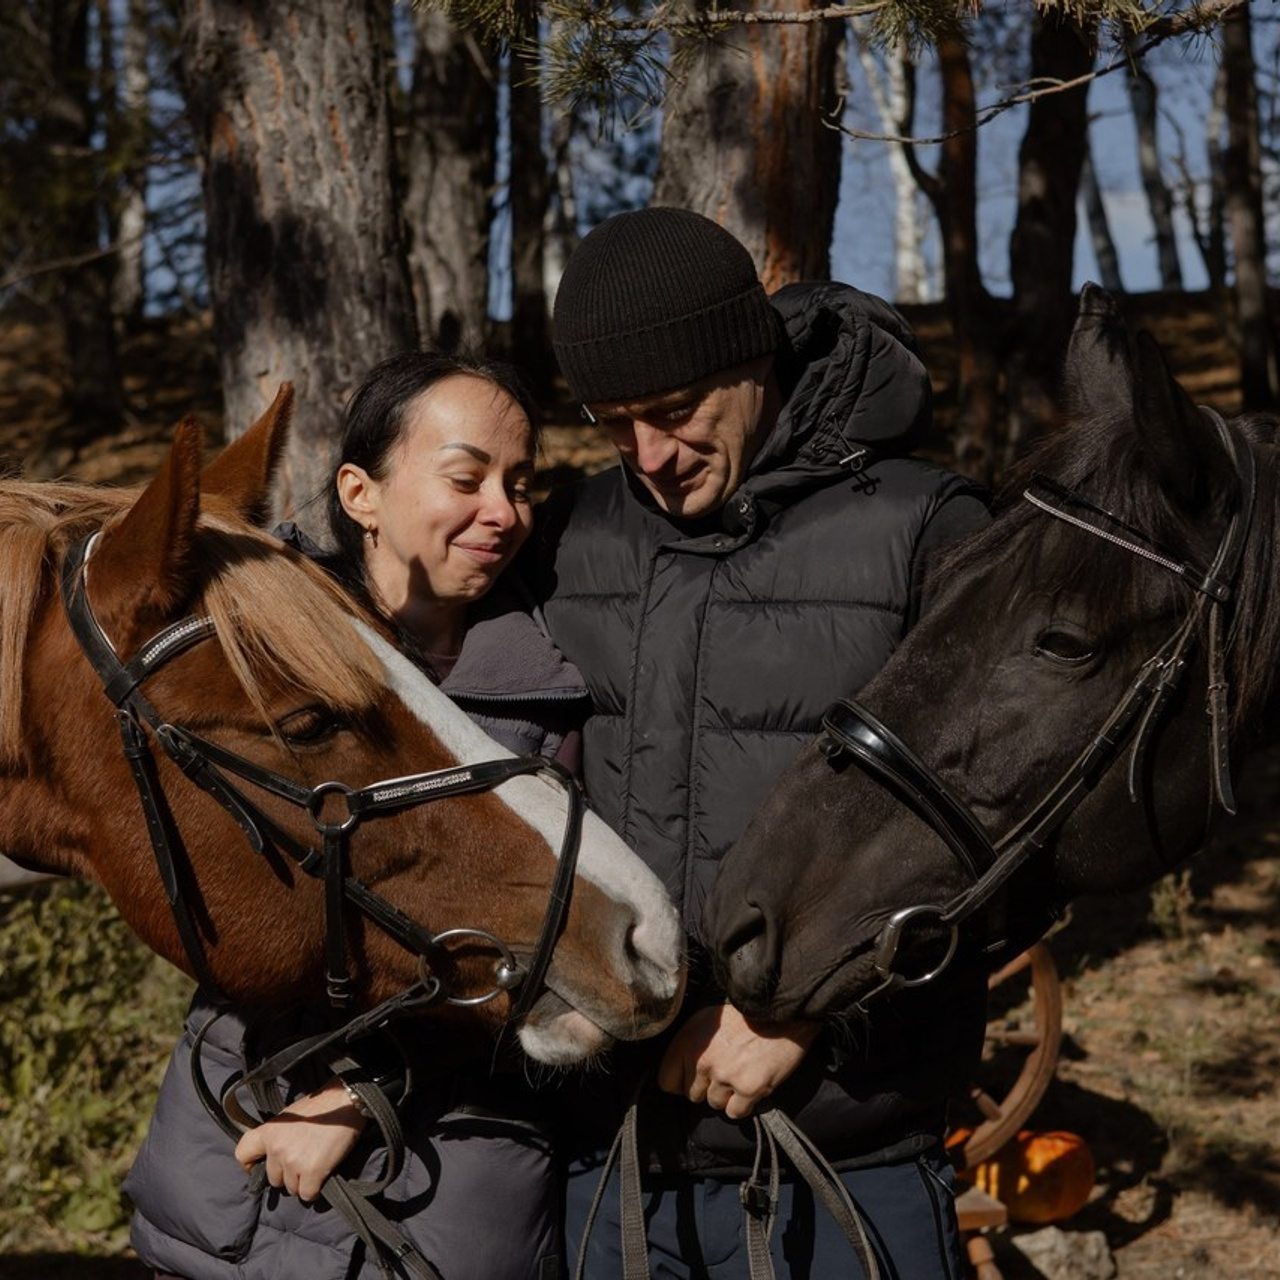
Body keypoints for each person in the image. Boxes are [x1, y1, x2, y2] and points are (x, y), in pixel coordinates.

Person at [527, 206, 992, 1277]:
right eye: (610, 421)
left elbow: (1011, 844)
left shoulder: (925, 529)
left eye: (674, 408)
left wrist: (807, 1015)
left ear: (750, 360)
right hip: (609, 1167)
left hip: (843, 1163)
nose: (647, 453)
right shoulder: (567, 538)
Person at [125, 351, 588, 1280]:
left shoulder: (550, 703)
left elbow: (566, 968)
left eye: (520, 484)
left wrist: (363, 1093)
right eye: (467, 477)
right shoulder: (250, 658)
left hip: (442, 1191)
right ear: (360, 493)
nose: (504, 511)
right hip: (225, 1161)